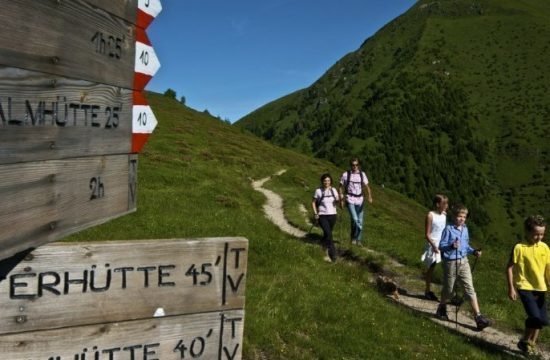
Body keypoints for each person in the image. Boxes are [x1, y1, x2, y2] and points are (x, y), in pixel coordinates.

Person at [435, 204, 491, 331]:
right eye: (459, 216)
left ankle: (478, 317)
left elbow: (465, 245)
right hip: (451, 262)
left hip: (464, 261)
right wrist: (451, 246)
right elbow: (441, 246)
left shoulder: (465, 229)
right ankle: (442, 307)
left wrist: (474, 251)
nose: (461, 219)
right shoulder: (448, 229)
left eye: (464, 217)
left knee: (469, 288)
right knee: (449, 289)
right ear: (454, 216)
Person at [506, 215, 548, 355]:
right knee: (535, 317)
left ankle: (530, 344)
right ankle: (525, 341)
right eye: (536, 234)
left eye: (542, 234)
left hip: (541, 287)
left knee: (541, 321)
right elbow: (510, 268)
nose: (539, 237)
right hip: (525, 287)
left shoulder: (545, 248)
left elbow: (548, 269)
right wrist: (511, 287)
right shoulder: (519, 247)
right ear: (527, 232)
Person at [339, 158, 373, 246]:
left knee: (359, 221)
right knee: (355, 219)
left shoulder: (362, 174)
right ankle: (354, 238)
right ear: (350, 165)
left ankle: (357, 240)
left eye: (356, 165)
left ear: (359, 165)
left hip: (360, 199)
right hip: (350, 198)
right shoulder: (346, 174)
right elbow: (340, 187)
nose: (355, 167)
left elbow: (367, 187)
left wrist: (369, 197)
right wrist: (341, 198)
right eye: (353, 165)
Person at [420, 194, 448, 301]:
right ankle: (427, 290)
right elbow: (427, 234)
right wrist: (434, 246)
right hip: (433, 244)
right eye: (444, 204)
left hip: (442, 244)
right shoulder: (430, 215)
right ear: (437, 204)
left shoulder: (444, 215)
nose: (446, 206)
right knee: (431, 268)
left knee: (447, 267)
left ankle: (447, 292)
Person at [312, 173, 340, 262]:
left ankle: (322, 246)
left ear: (330, 181)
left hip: (333, 215)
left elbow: (337, 201)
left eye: (328, 180)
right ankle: (333, 254)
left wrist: (340, 199)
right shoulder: (318, 191)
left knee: (327, 233)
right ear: (322, 181)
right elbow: (313, 202)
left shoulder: (334, 190)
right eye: (325, 181)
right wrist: (316, 213)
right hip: (322, 215)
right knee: (329, 234)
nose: (327, 182)